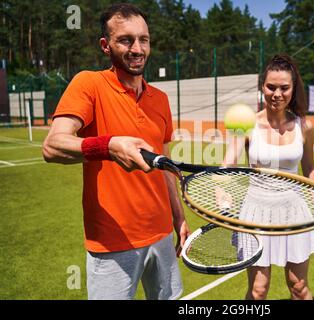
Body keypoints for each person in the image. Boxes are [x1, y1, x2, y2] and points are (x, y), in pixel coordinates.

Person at [42, 3, 190, 300]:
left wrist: (178, 216)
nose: (137, 49)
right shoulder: (89, 83)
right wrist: (108, 146)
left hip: (161, 234)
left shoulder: (160, 99)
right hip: (112, 241)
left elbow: (165, 167)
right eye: (125, 40)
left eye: (143, 39)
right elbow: (53, 145)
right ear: (105, 46)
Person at [223, 54, 314, 300]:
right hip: (256, 212)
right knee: (258, 290)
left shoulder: (305, 126)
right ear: (262, 86)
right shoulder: (246, 124)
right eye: (271, 87)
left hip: (294, 211)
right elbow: (228, 164)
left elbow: (309, 168)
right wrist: (222, 196)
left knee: (298, 287)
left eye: (284, 88)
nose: (277, 94)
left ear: (293, 89)